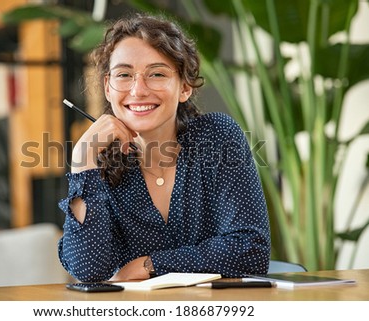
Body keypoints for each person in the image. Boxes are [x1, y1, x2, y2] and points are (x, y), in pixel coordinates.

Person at [58, 13, 270, 282]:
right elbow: (88, 270)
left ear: (184, 87)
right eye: (124, 75)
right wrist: (82, 159)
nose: (138, 90)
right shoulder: (96, 165)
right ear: (108, 88)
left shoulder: (217, 137)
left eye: (156, 74)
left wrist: (149, 264)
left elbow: (250, 251)